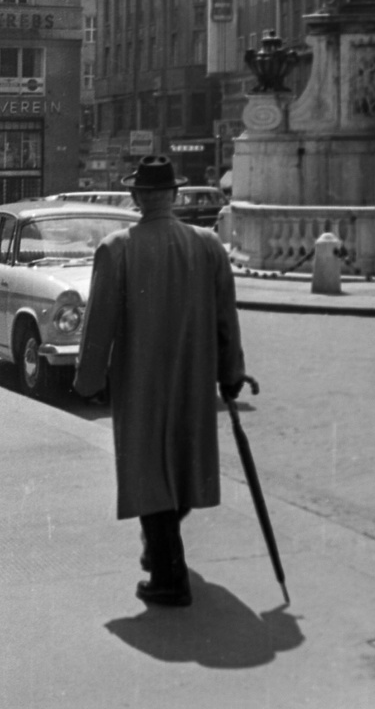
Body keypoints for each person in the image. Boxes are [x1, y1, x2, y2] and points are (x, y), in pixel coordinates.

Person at [73, 154, 246, 608]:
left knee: (147, 469)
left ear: (136, 197)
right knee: (183, 465)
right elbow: (226, 318)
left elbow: (100, 324)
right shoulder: (208, 245)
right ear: (173, 195)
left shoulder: (118, 248)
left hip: (141, 378)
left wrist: (88, 380)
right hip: (192, 379)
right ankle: (160, 548)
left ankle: (170, 574)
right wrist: (231, 373)